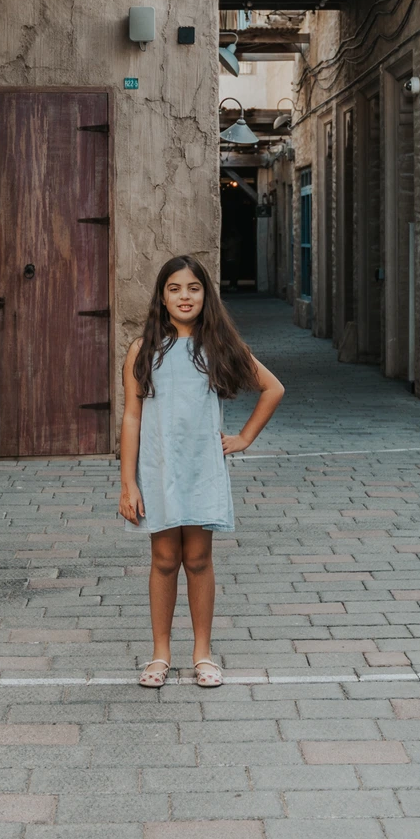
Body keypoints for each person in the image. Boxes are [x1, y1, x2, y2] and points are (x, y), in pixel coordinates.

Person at [119, 255, 284, 689]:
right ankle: (159, 654)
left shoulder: (219, 346)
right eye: (175, 288)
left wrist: (244, 438)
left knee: (197, 559)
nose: (184, 296)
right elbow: (132, 418)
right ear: (162, 296)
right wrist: (128, 482)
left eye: (193, 288)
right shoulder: (142, 350)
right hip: (157, 470)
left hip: (201, 469)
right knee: (163, 558)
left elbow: (273, 388)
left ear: (205, 295)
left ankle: (203, 654)